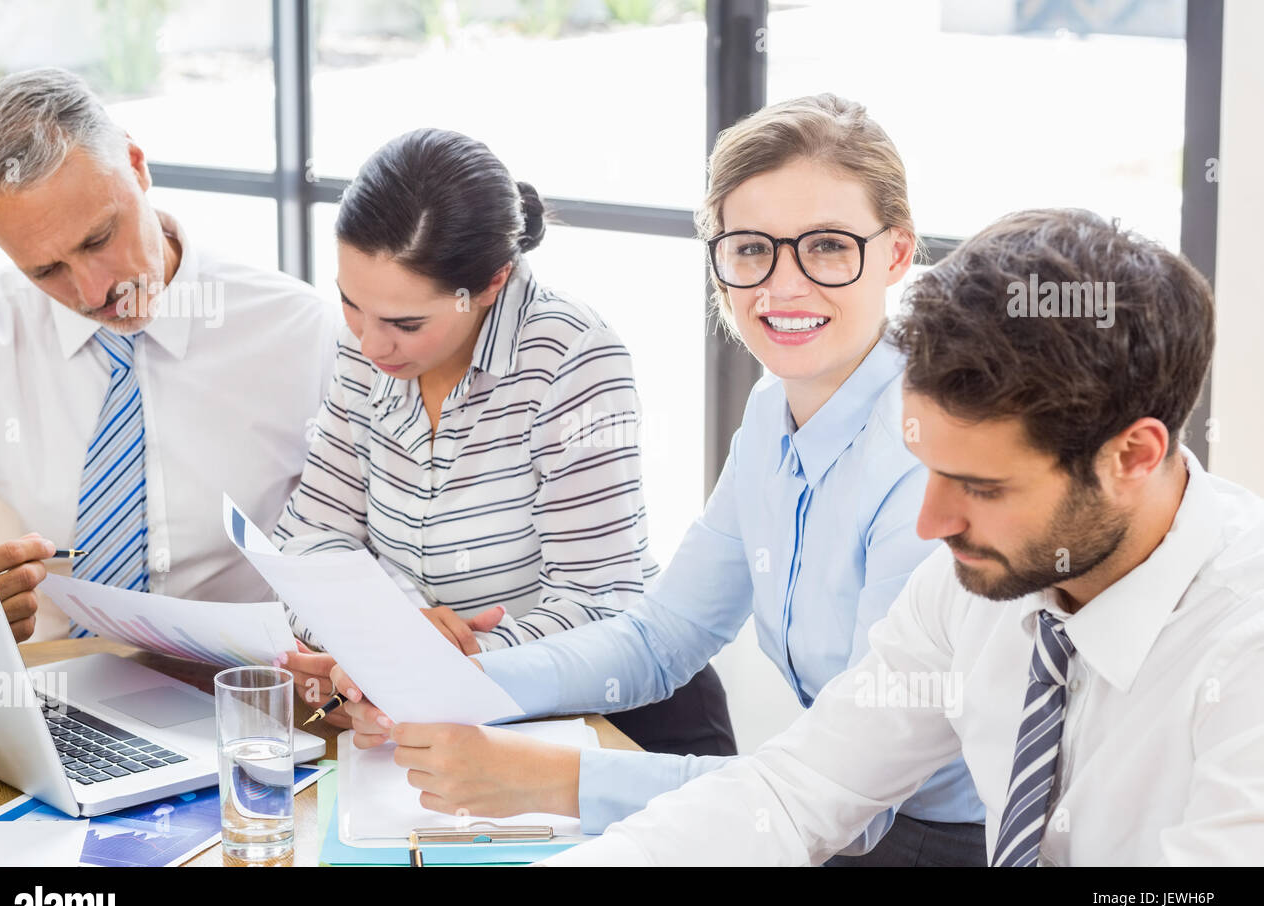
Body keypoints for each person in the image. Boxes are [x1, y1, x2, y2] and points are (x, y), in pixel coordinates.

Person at [332, 94, 987, 865]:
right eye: (750, 249)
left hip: (934, 841)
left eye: (829, 247)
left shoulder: (927, 458)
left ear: (898, 254)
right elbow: (662, 635)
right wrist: (454, 680)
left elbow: (847, 803)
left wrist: (554, 780)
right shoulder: (775, 412)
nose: (782, 287)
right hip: (823, 815)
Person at [538, 207, 1264, 866]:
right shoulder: (970, 584)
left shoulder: (1242, 643)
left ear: (1132, 456)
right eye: (929, 471)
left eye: (982, 487)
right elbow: (799, 791)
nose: (932, 524)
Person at [273, 127, 735, 757]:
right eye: (351, 304)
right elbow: (308, 538)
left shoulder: (572, 358)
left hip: (616, 729)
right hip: (428, 725)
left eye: (406, 323)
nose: (371, 343)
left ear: (492, 281)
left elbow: (599, 603)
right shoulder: (364, 350)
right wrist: (390, 640)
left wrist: (442, 664)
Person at [0, 68, 338, 642]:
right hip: (49, 692)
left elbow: (361, 557)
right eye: (45, 270)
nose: (92, 293)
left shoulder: (300, 329)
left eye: (98, 239)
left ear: (137, 166)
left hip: (243, 695)